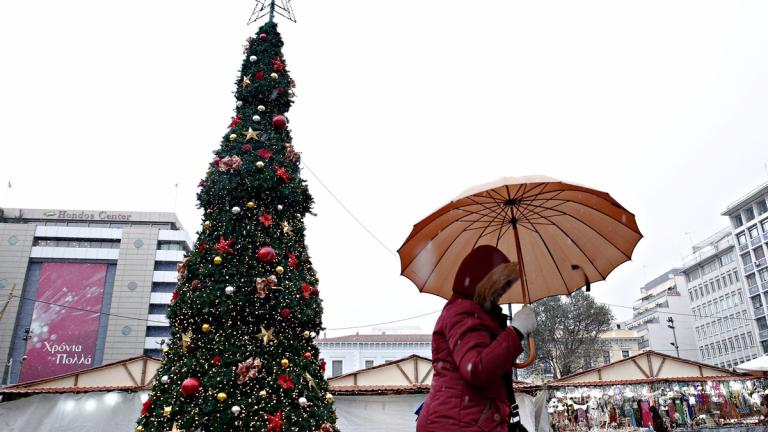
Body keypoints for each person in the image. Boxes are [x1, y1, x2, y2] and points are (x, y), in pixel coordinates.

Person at [416, 245, 537, 432]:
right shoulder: (463, 312)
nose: (501, 293)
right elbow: (477, 369)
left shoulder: (477, 314)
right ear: (482, 281)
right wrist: (516, 331)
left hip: (467, 421)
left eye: (505, 287)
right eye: (499, 286)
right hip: (458, 423)